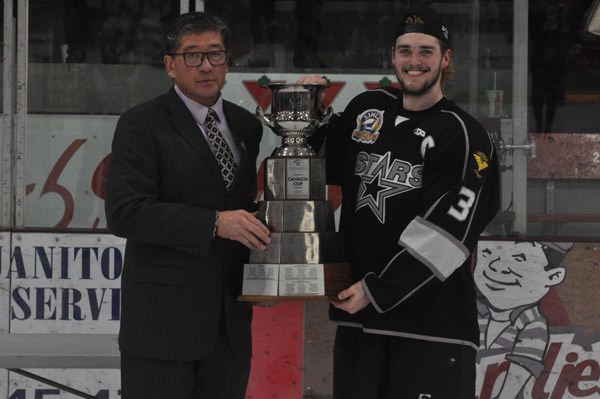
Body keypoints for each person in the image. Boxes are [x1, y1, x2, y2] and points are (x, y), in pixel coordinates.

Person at [300, 5, 500, 398]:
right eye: (405, 50)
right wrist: (308, 111)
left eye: (426, 51)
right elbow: (320, 166)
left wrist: (378, 290)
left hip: (431, 328)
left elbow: (449, 235)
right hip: (359, 323)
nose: (414, 61)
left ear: (446, 59)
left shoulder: (464, 135)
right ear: (392, 56)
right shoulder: (365, 111)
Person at [104, 12, 271, 399]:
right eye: (193, 55)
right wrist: (214, 223)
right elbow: (126, 211)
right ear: (170, 65)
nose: (206, 65)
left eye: (215, 53)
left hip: (230, 328)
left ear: (228, 61)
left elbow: (242, 210)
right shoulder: (140, 123)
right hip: (162, 328)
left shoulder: (248, 125)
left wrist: (265, 270)